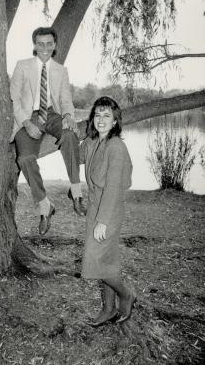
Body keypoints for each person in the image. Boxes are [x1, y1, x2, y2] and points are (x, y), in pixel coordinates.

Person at [10, 26, 85, 236]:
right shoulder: (22, 66)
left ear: (55, 45)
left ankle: (76, 192)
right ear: (34, 45)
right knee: (25, 159)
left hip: (52, 114)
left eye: (49, 44)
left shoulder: (61, 70)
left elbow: (66, 100)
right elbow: (14, 99)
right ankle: (44, 206)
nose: (45, 48)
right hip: (29, 117)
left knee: (70, 134)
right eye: (40, 43)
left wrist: (69, 115)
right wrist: (26, 123)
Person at [79, 96, 135, 326]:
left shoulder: (116, 147)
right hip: (95, 207)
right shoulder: (93, 142)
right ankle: (109, 309)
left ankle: (126, 295)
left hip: (108, 211)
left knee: (94, 260)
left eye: (107, 116)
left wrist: (102, 221)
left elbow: (113, 188)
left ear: (115, 121)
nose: (101, 120)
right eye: (98, 115)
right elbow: (74, 153)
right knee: (106, 260)